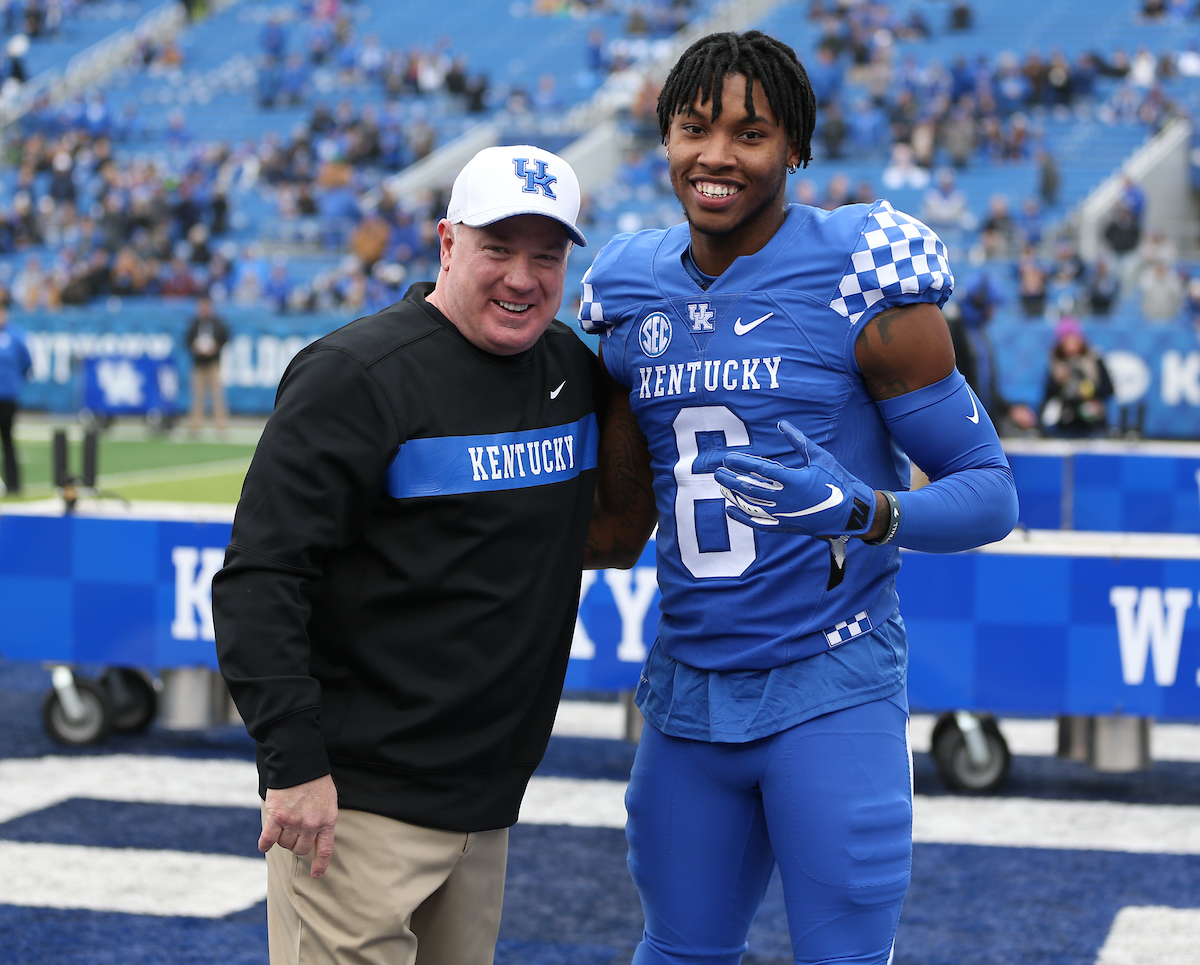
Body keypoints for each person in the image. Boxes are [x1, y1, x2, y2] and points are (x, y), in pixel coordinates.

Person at [579, 30, 1018, 965]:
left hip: (832, 687)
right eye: (695, 128)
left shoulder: (863, 275)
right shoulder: (626, 289)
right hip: (686, 694)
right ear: (664, 138)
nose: (717, 156)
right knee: (674, 951)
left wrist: (869, 510)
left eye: (751, 132)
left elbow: (990, 494)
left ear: (795, 148)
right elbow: (614, 527)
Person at [212, 144, 652, 965]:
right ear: (447, 244)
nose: (523, 277)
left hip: (485, 810)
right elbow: (260, 579)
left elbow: (617, 531)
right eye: (498, 249)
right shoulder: (356, 374)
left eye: (546, 255)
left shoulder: (566, 368)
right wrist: (295, 766)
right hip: (355, 810)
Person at [1040, 316, 1113, 437]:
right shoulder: (1056, 363)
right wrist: (1059, 381)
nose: (1070, 343)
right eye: (1066, 339)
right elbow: (1048, 393)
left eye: (1073, 338)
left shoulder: (1094, 359)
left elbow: (1108, 389)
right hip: (1065, 423)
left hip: (1092, 422)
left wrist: (1089, 390)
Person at [185, 295, 229, 431]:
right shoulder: (195, 323)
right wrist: (195, 348)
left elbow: (224, 337)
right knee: (197, 396)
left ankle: (220, 424)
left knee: (217, 395)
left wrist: (215, 348)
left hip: (213, 364)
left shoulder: (217, 323)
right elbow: (187, 340)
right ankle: (195, 424)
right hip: (198, 365)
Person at [0, 304, 31, 495]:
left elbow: (26, 362)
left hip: (8, 397)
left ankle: (13, 484)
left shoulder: (16, 335)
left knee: (8, 441)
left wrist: (15, 382)